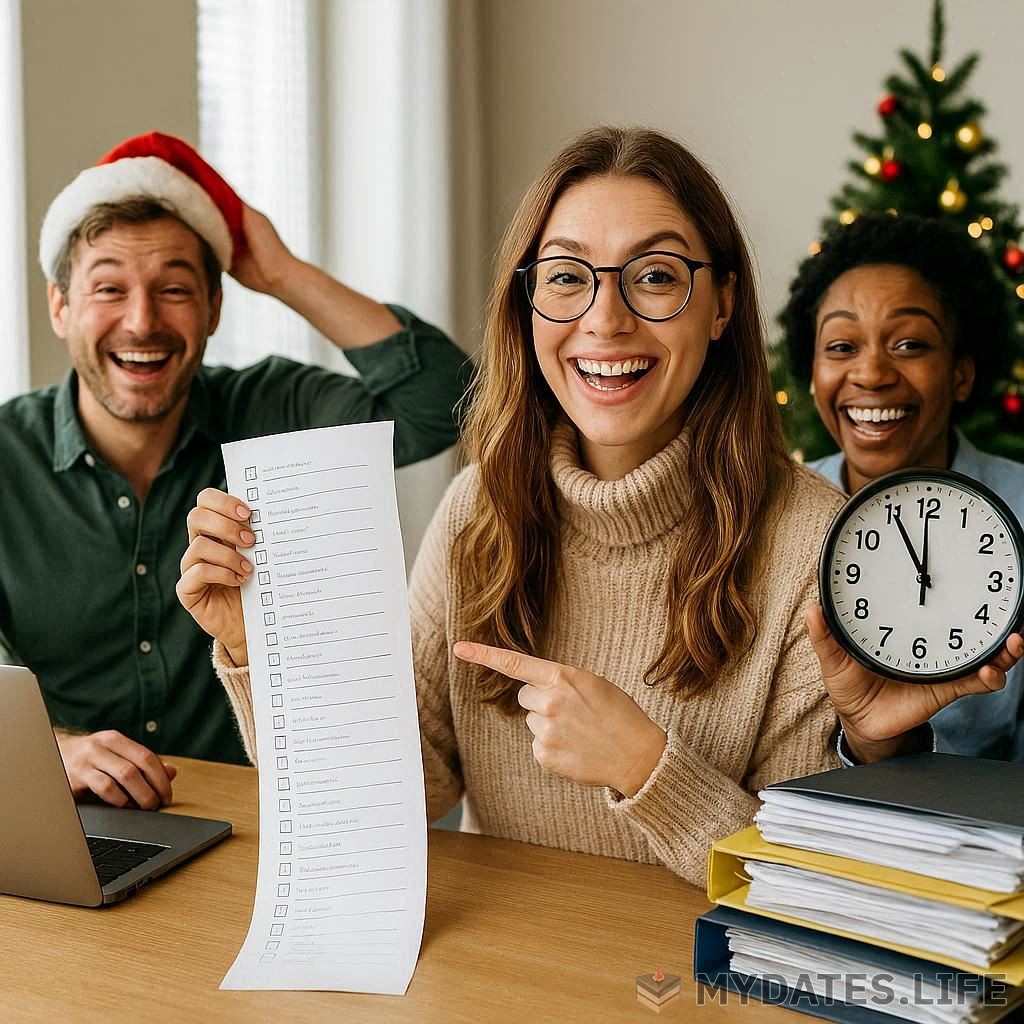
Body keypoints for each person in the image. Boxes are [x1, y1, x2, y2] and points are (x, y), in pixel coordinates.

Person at [177, 127, 1022, 886]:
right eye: (567, 277)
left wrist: (650, 768)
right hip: (504, 974)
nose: (604, 319)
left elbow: (809, 888)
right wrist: (263, 656)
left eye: (655, 276)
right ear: (528, 302)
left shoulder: (814, 540)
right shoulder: (478, 509)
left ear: (723, 302)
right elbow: (394, 801)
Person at [0, 132, 471, 809]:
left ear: (215, 308)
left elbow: (448, 403)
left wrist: (283, 274)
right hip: (67, 818)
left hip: (262, 824)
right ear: (60, 307)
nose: (142, 321)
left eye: (174, 288)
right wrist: (56, 748)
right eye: (108, 287)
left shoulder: (273, 408)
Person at [780, 211, 1024, 760]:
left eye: (910, 345)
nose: (871, 374)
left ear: (961, 373)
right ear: (812, 369)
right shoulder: (771, 515)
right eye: (841, 347)